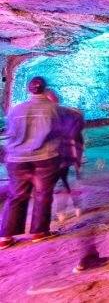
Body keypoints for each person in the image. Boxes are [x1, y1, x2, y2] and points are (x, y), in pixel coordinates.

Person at [0, 77, 62, 248]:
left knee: (16, 195)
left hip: (17, 159)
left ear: (29, 90)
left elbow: (10, 131)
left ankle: (6, 237)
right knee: (43, 194)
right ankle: (39, 232)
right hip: (45, 158)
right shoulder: (53, 109)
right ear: (45, 89)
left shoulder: (16, 109)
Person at [56, 105, 85, 219]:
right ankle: (77, 208)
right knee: (73, 183)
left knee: (61, 184)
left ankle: (61, 212)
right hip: (73, 160)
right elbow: (80, 147)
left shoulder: (59, 129)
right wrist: (79, 162)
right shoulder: (77, 132)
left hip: (60, 160)